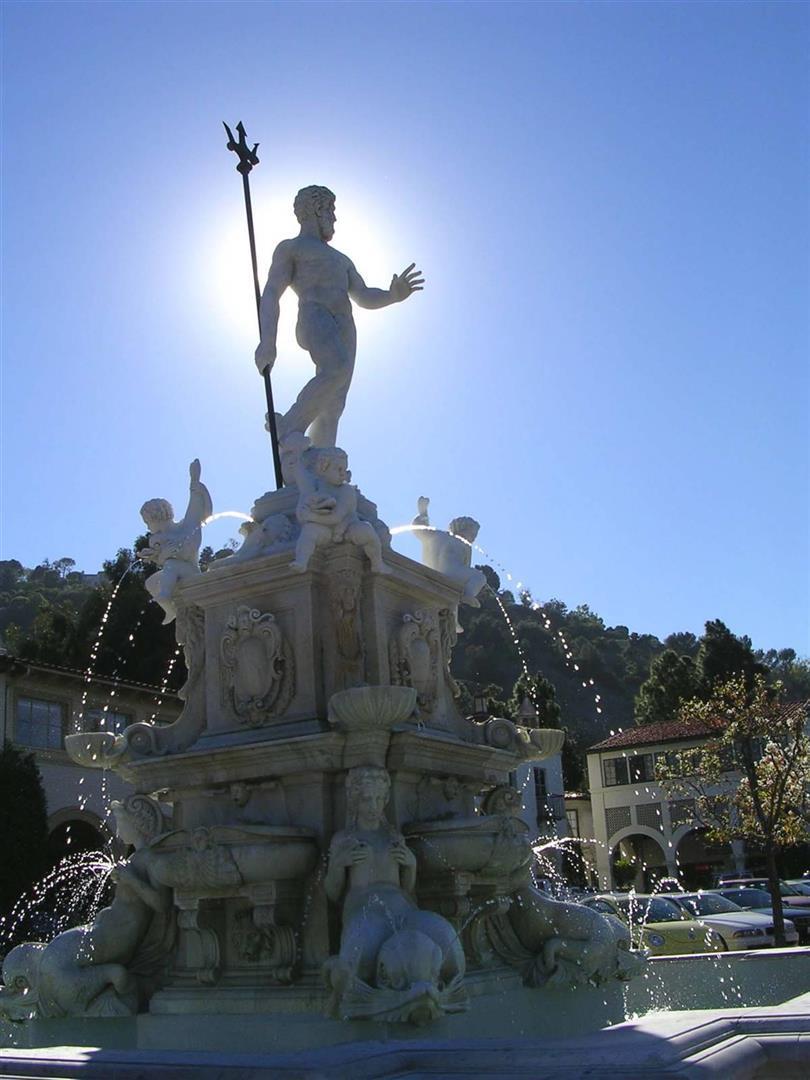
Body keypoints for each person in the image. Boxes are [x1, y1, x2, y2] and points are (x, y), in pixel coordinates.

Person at [254, 186, 424, 448]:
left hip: (345, 324)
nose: (334, 218)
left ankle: (322, 460)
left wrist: (393, 295)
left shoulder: (341, 259)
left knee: (335, 402)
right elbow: (271, 293)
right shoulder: (292, 248)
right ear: (316, 210)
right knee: (336, 368)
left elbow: (364, 295)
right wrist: (268, 341)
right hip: (314, 314)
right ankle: (288, 427)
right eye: (331, 211)